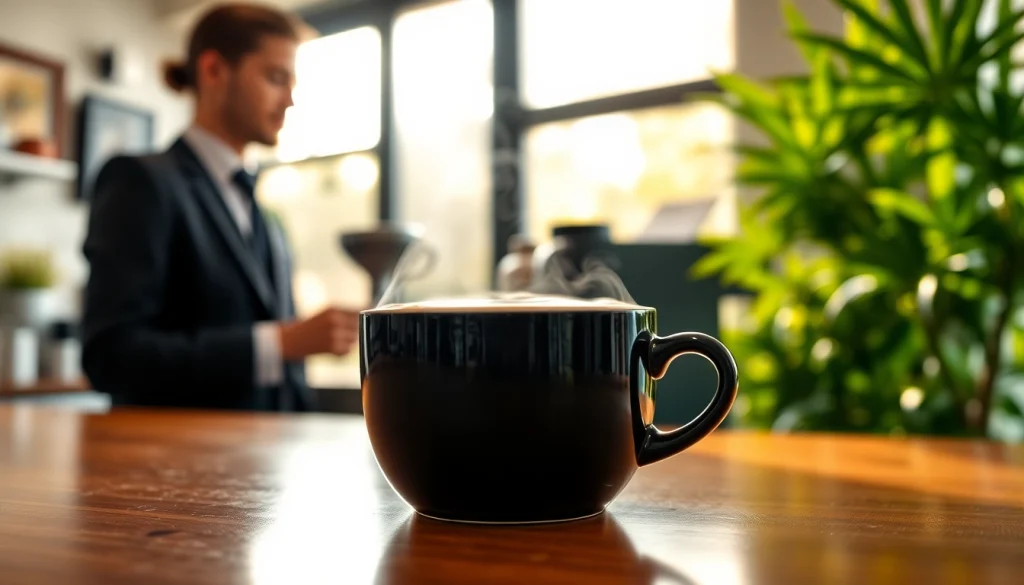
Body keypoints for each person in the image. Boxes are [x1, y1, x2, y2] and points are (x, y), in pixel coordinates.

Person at [81, 3, 358, 411]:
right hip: (172, 469)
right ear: (213, 71)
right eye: (275, 78)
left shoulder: (267, 220)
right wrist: (280, 342)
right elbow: (111, 356)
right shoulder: (141, 181)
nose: (290, 101)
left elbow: (287, 376)